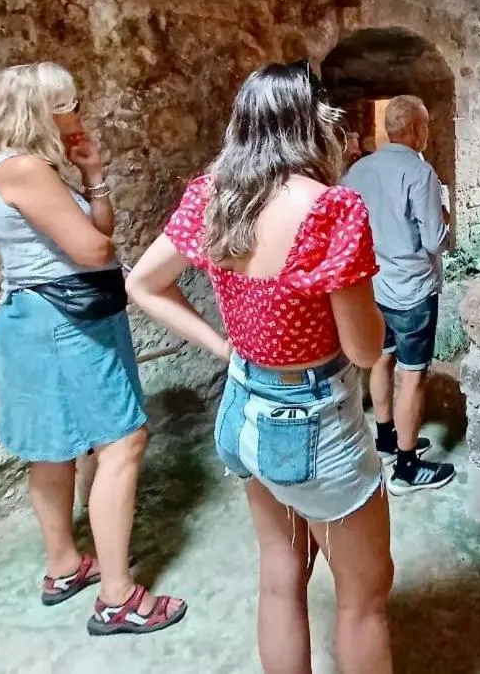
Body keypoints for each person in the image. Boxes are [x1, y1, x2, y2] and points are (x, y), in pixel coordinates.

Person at [126, 61, 393, 674]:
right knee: (365, 599)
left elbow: (144, 282)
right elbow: (361, 350)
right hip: (315, 421)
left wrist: (224, 349)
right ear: (313, 123)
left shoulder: (215, 196)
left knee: (280, 573)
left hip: (243, 406)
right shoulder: (331, 211)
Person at [0, 63, 187, 635]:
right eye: (70, 105)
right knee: (123, 440)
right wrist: (100, 234)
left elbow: (100, 225)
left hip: (46, 316)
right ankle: (117, 598)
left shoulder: (27, 168)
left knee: (54, 445)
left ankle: (64, 566)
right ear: (43, 110)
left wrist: (92, 174)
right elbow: (95, 249)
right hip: (62, 319)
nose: (78, 115)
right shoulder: (23, 168)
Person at [341, 95, 456, 495]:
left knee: (381, 358)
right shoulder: (418, 172)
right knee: (412, 374)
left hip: (372, 285)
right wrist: (445, 212)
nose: (428, 132)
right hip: (411, 288)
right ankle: (407, 467)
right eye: (425, 126)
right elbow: (434, 240)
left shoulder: (357, 171)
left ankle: (386, 438)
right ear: (411, 129)